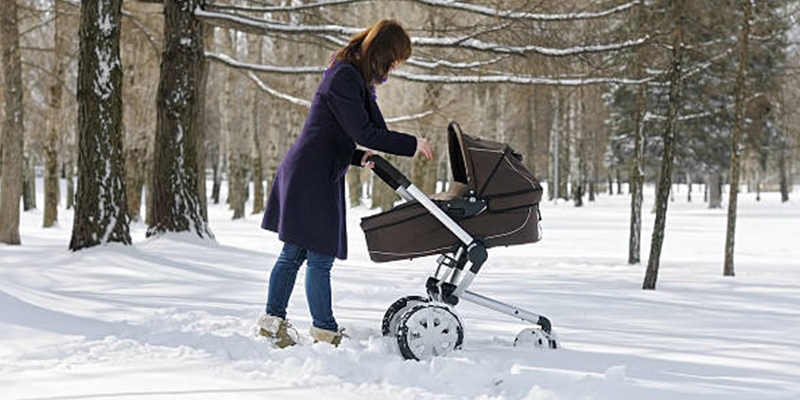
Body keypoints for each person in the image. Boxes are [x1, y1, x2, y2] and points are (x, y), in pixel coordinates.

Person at [257, 19, 434, 348]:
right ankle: (324, 330)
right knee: (318, 256)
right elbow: (365, 133)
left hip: (316, 170)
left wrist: (356, 157)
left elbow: (339, 131)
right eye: (394, 60)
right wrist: (413, 144)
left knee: (293, 253)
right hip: (312, 175)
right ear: (382, 53)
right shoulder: (344, 77)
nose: (395, 67)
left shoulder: (354, 77)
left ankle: (272, 323)